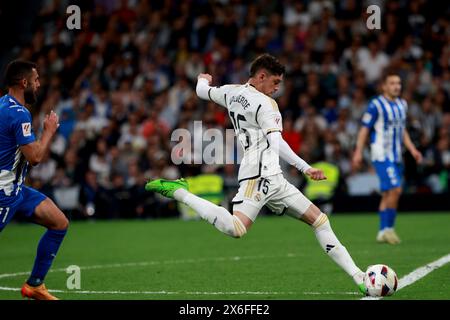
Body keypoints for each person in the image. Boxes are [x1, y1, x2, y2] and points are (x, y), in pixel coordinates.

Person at [146, 54, 367, 294]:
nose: (277, 88)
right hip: (258, 176)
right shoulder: (266, 105)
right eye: (275, 82)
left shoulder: (231, 92)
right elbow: (277, 142)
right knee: (236, 228)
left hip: (275, 178)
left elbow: (203, 91)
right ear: (261, 76)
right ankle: (180, 192)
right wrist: (306, 167)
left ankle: (360, 278)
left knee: (320, 221)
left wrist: (202, 79)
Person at [0, 60, 69, 300]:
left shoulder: (3, 105)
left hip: (17, 190)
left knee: (59, 223)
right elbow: (36, 157)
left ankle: (35, 285)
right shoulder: (19, 113)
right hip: (3, 193)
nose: (39, 84)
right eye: (36, 79)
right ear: (24, 82)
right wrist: (49, 131)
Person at [352, 70, 423, 244]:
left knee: (387, 194)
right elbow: (364, 129)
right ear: (384, 86)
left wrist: (413, 149)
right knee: (396, 189)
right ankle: (388, 229)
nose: (396, 86)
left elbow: (402, 129)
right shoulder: (376, 105)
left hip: (396, 155)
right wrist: (358, 151)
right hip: (381, 154)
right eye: (392, 83)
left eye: (398, 83)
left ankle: (382, 232)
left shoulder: (402, 104)